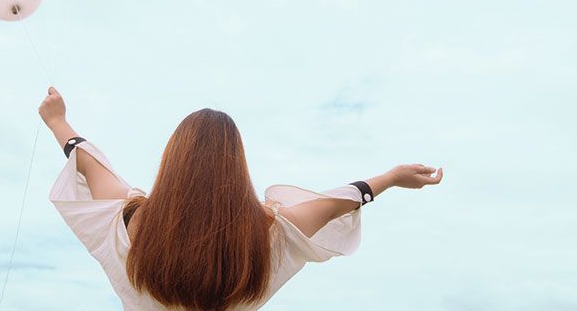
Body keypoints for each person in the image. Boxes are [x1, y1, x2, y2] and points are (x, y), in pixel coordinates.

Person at [40, 86, 443, 310]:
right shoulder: (267, 235)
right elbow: (341, 200)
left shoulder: (133, 225)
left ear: (172, 162)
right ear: (238, 168)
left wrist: (58, 121)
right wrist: (389, 179)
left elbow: (89, 164)